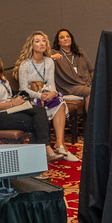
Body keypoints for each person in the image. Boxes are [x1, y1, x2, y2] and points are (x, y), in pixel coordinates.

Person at [0, 43, 59, 161]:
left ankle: (42, 151)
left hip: (5, 111)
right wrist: (13, 103)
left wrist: (16, 101)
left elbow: (5, 97)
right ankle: (41, 153)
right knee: (35, 121)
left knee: (40, 110)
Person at [13, 31, 77, 161]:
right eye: (37, 41)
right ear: (31, 45)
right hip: (31, 99)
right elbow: (23, 89)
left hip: (46, 96)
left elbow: (51, 83)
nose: (41, 43)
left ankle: (59, 145)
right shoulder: (25, 64)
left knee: (59, 102)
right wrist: (39, 95)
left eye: (43, 41)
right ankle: (56, 147)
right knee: (49, 103)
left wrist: (52, 93)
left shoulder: (49, 62)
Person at [51, 28, 94, 110]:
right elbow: (40, 60)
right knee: (92, 92)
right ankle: (93, 121)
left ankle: (95, 120)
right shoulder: (54, 53)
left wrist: (93, 82)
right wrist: (51, 57)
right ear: (58, 42)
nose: (66, 38)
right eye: (62, 37)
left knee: (99, 90)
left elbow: (91, 69)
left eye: (68, 36)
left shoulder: (79, 52)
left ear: (71, 39)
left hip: (85, 83)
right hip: (69, 86)